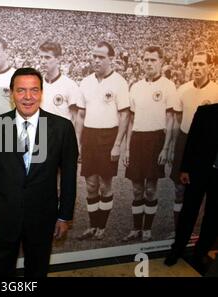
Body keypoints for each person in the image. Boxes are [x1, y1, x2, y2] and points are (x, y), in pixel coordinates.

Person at [0, 67, 78, 277]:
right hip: (4, 216)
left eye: (34, 90)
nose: (27, 97)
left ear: (41, 93)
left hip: (43, 217)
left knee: (37, 271)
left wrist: (64, 217)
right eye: (21, 90)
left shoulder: (62, 128)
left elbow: (69, 177)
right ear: (12, 93)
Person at [75, 41, 130, 240]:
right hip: (89, 136)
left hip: (108, 136)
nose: (96, 60)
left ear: (111, 59)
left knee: (105, 184)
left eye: (101, 57)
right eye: (94, 56)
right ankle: (92, 225)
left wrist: (117, 145)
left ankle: (102, 226)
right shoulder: (86, 82)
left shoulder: (119, 82)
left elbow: (125, 116)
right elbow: (80, 115)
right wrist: (78, 142)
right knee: (90, 184)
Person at [122, 46, 176, 242]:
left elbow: (170, 119)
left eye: (153, 60)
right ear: (141, 62)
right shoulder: (135, 87)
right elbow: (130, 121)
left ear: (161, 62)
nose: (149, 63)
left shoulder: (168, 86)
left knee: (151, 188)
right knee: (137, 188)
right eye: (146, 60)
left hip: (156, 140)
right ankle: (136, 228)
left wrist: (166, 147)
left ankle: (147, 229)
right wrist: (127, 148)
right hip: (137, 139)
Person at [168, 51, 218, 239]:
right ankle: (178, 231)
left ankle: (198, 232)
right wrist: (172, 147)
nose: (197, 68)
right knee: (179, 189)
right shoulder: (183, 89)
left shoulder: (216, 90)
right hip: (184, 141)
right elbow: (179, 118)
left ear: (209, 67)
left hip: (208, 146)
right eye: (194, 64)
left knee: (204, 190)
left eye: (201, 64)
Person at [164, 103, 218, 274]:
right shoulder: (205, 111)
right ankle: (177, 250)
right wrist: (185, 168)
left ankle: (200, 252)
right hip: (199, 171)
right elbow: (192, 140)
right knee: (189, 211)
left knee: (213, 216)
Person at [38, 41, 81, 123]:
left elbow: (76, 118)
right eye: (41, 57)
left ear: (58, 59)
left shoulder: (70, 85)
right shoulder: (36, 84)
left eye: (47, 57)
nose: (43, 61)